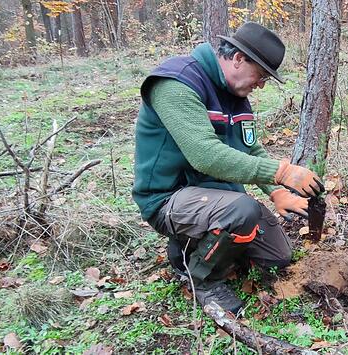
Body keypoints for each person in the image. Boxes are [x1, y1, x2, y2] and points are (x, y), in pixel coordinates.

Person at [132, 22, 323, 313]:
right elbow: (205, 155)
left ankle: (197, 246)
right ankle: (200, 278)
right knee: (241, 211)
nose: (260, 85)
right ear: (237, 59)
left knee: (278, 255)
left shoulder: (236, 97)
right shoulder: (178, 83)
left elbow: (250, 147)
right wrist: (282, 173)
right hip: (169, 198)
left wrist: (275, 192)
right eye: (260, 76)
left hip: (217, 198)